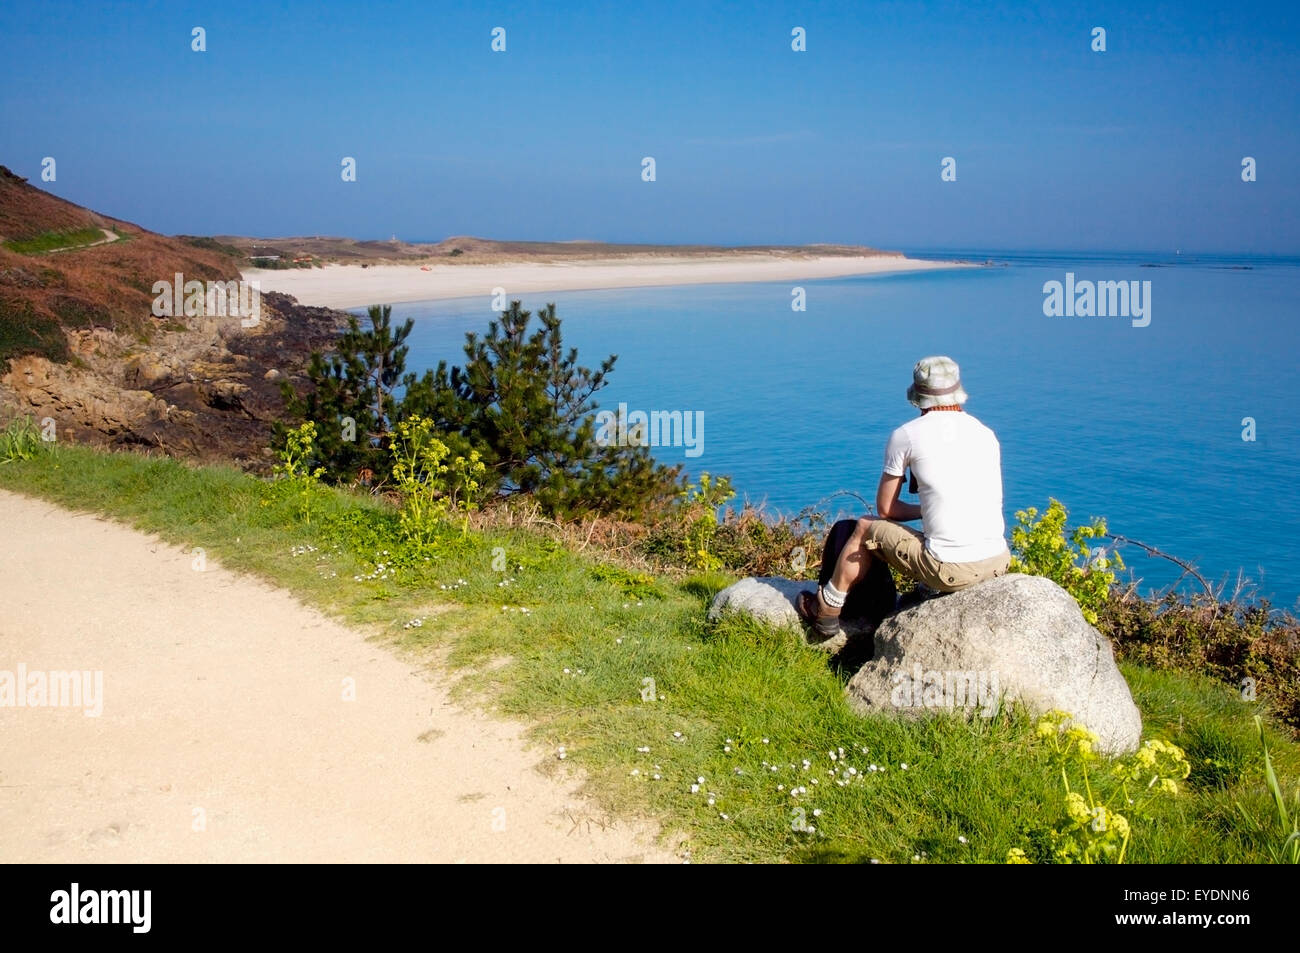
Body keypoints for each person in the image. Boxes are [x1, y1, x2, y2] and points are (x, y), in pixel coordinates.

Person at [797, 356, 1010, 640]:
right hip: (997, 561)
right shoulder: (986, 434)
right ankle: (926, 589)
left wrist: (923, 510)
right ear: (958, 392)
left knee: (862, 527)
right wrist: (930, 509)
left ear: (919, 396)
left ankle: (827, 608)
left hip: (951, 570)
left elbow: (885, 509)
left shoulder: (907, 435)